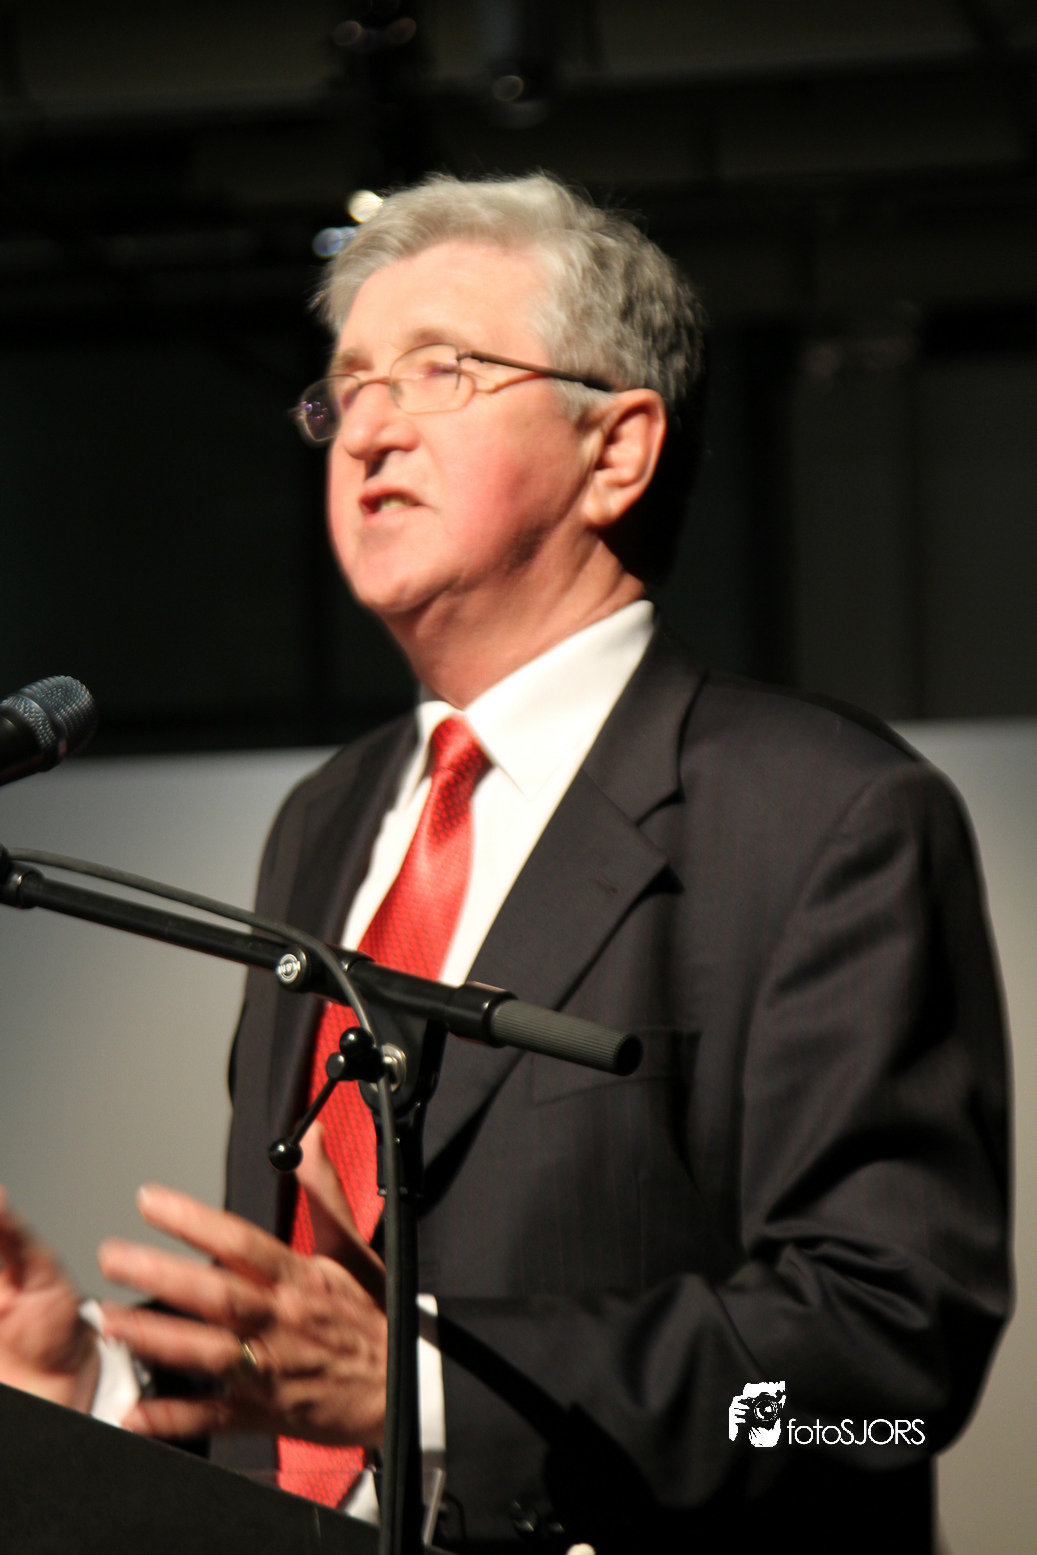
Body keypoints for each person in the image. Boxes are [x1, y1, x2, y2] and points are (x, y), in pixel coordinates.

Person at [0, 174, 1010, 1553]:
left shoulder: (829, 815)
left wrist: (428, 1387)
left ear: (618, 449)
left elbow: (888, 1383)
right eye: (347, 386)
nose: (369, 427)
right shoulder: (327, 818)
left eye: (443, 369)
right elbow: (313, 1385)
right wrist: (95, 1385)